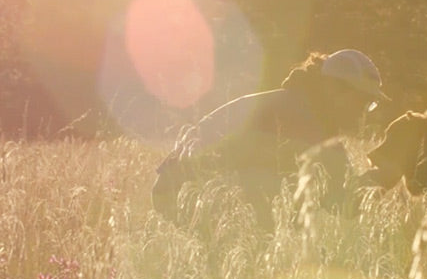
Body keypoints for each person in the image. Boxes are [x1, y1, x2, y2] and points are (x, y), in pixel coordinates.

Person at [152, 49, 390, 227]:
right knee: (278, 203)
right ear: (334, 89)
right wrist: (389, 171)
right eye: (361, 101)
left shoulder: (301, 107)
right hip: (187, 199)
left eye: (369, 104)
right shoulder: (302, 120)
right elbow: (343, 203)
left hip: (183, 196)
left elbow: (338, 200)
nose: (362, 112)